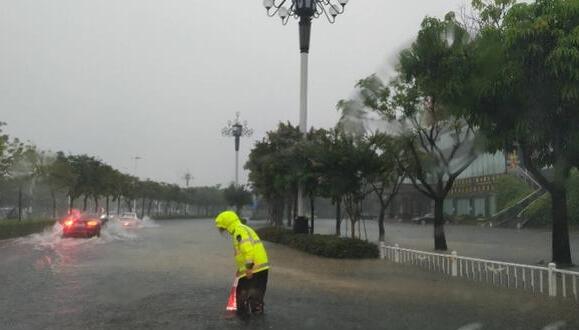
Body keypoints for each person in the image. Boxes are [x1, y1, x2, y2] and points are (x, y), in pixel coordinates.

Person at [215, 211, 269, 316]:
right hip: (257, 267)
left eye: (222, 227)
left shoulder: (239, 231)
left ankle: (252, 320)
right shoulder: (241, 229)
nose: (223, 230)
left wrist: (248, 268)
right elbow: (242, 254)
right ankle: (254, 317)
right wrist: (240, 270)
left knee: (248, 295)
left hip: (254, 268)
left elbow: (248, 250)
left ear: (227, 224)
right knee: (250, 295)